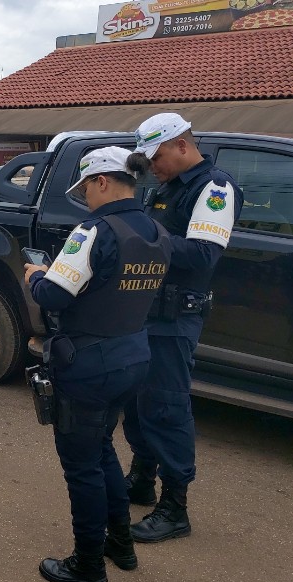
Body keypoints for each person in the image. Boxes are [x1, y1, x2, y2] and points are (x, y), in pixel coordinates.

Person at [24, 146, 171, 582]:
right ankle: (120, 544)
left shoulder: (93, 230)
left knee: (82, 467)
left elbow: (53, 296)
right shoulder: (156, 231)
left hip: (87, 366)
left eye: (85, 187)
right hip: (133, 357)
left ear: (102, 181)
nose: (84, 197)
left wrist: (35, 274)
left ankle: (88, 565)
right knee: (103, 449)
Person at [122, 113, 242, 543]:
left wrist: (141, 239)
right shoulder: (167, 188)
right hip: (146, 313)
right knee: (138, 403)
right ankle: (141, 479)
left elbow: (203, 254)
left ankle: (174, 507)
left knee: (166, 408)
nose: (151, 165)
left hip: (175, 318)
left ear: (180, 145)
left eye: (155, 156)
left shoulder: (214, 187)